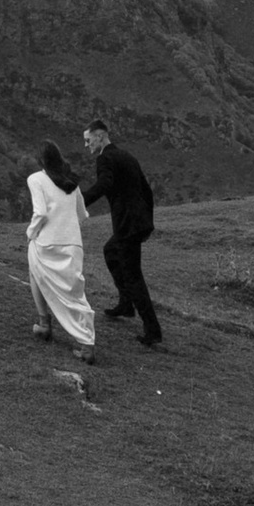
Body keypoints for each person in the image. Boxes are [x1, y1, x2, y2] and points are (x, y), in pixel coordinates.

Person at [80, 116, 162, 346]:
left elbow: (104, 184)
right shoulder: (128, 156)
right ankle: (126, 304)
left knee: (134, 275)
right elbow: (147, 191)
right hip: (137, 222)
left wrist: (79, 201)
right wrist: (147, 221)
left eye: (88, 141)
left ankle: (152, 330)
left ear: (100, 136)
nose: (87, 146)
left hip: (127, 224)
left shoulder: (105, 159)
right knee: (110, 251)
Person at [21, 141, 96, 353]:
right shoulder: (71, 181)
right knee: (73, 291)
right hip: (73, 243)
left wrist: (30, 233)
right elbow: (82, 214)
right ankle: (86, 342)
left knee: (35, 272)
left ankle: (44, 323)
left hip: (47, 242)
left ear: (41, 160)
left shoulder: (36, 179)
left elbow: (41, 213)